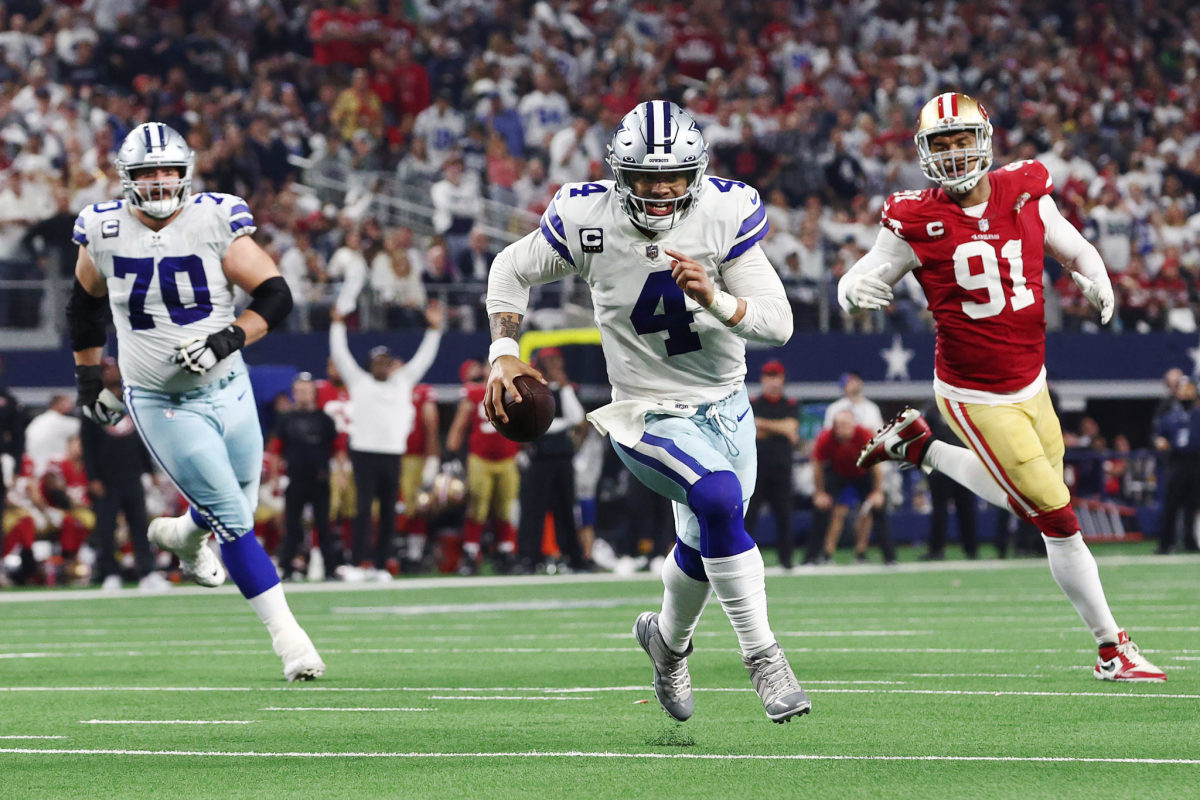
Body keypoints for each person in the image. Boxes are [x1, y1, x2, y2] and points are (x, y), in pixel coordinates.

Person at [485, 101, 809, 722]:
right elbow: (510, 267)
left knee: (705, 538)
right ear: (618, 173)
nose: (660, 188)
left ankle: (667, 645)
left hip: (726, 405)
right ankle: (764, 658)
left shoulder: (724, 213)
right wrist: (504, 350)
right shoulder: (586, 217)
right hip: (643, 410)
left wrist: (715, 296)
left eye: (674, 175)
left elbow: (779, 326)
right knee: (715, 498)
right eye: (643, 175)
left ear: (697, 172)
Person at [840, 93, 1165, 682]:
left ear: (984, 139)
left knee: (1038, 499)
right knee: (1058, 516)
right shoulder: (914, 216)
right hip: (973, 391)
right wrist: (850, 290)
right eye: (940, 143)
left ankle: (919, 448)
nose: (953, 152)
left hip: (1032, 378)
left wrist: (1097, 277)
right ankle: (1110, 648)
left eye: (961, 139)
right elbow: (864, 270)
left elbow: (1073, 246)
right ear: (924, 152)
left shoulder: (1025, 188)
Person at [68, 122, 324, 681]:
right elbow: (84, 308)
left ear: (185, 172)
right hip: (161, 400)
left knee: (238, 507)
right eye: (146, 172)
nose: (159, 182)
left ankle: (183, 535)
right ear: (126, 178)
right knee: (235, 520)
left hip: (230, 387)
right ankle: (291, 640)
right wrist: (90, 381)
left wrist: (227, 338)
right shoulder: (104, 230)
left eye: (167, 170)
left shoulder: (213, 219)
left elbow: (275, 293)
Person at [329, 301, 443, 579]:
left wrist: (434, 329)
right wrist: (337, 324)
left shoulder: (403, 381)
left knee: (390, 512)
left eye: (385, 362)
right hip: (363, 452)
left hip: (392, 454)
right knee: (363, 510)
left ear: (391, 365)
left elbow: (424, 358)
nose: (381, 367)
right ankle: (357, 564)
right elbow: (340, 353)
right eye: (377, 362)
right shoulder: (359, 381)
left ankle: (381, 566)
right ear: (370, 365)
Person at [79, 359, 163, 590]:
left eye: (114, 367)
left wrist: (149, 470)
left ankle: (148, 572)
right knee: (106, 529)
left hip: (132, 476)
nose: (113, 371)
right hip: (106, 480)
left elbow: (140, 440)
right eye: (107, 369)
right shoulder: (93, 405)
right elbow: (87, 446)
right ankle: (110, 573)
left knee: (139, 526)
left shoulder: (131, 401)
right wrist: (93, 477)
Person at [445, 358, 521, 575]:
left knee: (506, 508)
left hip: (507, 458)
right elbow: (459, 424)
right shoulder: (474, 392)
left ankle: (506, 553)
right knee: (477, 507)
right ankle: (470, 554)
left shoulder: (513, 389)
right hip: (480, 458)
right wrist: (450, 454)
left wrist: (524, 449)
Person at [515, 347, 586, 573]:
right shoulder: (533, 387)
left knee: (566, 509)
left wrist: (564, 388)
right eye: (551, 361)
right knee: (533, 509)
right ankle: (528, 557)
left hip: (562, 457)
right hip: (540, 455)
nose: (556, 365)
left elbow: (577, 418)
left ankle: (573, 556)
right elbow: (529, 420)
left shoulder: (567, 389)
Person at [271, 372, 341, 580]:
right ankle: (286, 567)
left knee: (324, 526)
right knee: (292, 526)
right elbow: (276, 449)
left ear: (313, 392)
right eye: (299, 390)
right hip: (295, 478)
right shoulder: (286, 419)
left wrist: (340, 474)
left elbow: (337, 448)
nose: (303, 394)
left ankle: (330, 568)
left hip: (320, 478)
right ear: (294, 393)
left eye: (307, 390)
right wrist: (275, 476)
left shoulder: (325, 419)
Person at [808, 410, 893, 565]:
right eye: (840, 425)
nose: (843, 429)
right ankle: (815, 556)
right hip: (837, 472)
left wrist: (877, 492)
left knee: (877, 508)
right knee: (823, 508)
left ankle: (887, 557)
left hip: (863, 472)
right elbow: (818, 466)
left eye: (846, 425)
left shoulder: (864, 435)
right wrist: (820, 493)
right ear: (834, 426)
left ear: (854, 425)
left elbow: (876, 466)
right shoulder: (826, 437)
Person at [744, 359, 799, 570]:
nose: (774, 381)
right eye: (770, 376)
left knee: (784, 516)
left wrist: (763, 425)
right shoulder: (753, 403)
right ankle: (745, 561)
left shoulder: (790, 404)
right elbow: (752, 430)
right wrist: (780, 428)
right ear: (763, 379)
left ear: (783, 379)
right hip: (756, 470)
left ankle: (786, 560)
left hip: (782, 469)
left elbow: (791, 429)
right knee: (750, 517)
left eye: (777, 376)